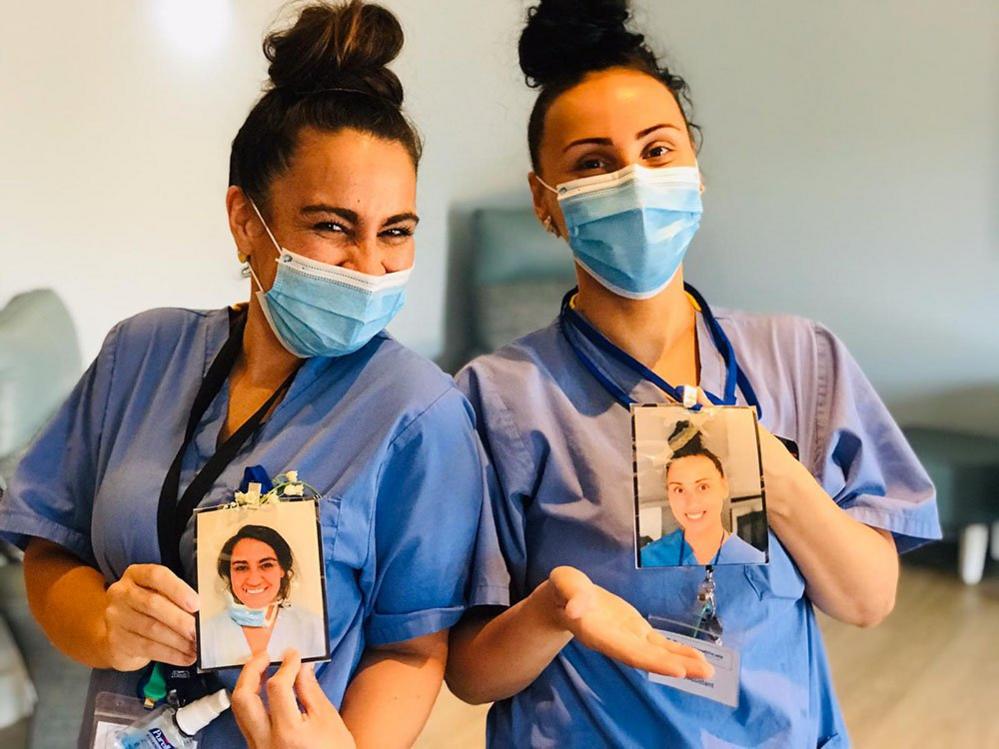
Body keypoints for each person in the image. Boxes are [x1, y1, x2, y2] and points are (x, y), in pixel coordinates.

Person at [444, 1, 940, 747]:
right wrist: (555, 610)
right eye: (592, 162)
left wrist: (772, 473)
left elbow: (868, 599)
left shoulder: (799, 358)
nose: (634, 181)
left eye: (657, 151)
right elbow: (471, 673)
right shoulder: (497, 396)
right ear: (545, 204)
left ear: (695, 174)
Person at [0, 2, 484, 746]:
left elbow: (414, 646)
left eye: (394, 232)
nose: (367, 267)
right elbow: (48, 547)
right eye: (331, 225)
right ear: (244, 220)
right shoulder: (142, 352)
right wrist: (103, 625)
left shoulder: (420, 414)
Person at [640, 421, 766, 566]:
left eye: (703, 487)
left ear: (724, 486)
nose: (692, 502)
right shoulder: (648, 558)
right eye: (679, 490)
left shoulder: (754, 562)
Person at [200, 524, 326, 669]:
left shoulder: (313, 626)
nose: (254, 580)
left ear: (282, 570)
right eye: (241, 567)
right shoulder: (208, 633)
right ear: (230, 575)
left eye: (266, 565)